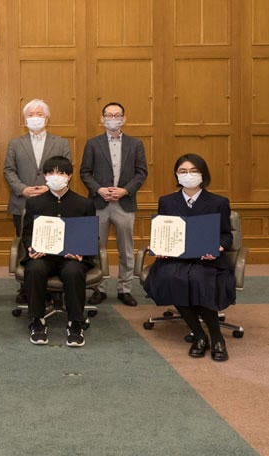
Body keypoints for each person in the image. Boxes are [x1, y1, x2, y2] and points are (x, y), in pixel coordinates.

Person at [143, 153, 235, 362]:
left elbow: (226, 234)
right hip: (175, 259)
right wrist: (157, 246)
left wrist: (219, 246)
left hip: (206, 258)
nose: (188, 175)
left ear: (203, 174)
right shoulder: (167, 201)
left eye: (194, 171)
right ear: (176, 175)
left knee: (200, 279)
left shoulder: (219, 202)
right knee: (171, 278)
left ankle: (217, 337)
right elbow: (163, 230)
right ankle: (200, 335)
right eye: (183, 171)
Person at [22, 156, 96, 347]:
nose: (56, 176)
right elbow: (27, 233)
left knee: (73, 271)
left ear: (69, 176)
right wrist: (31, 247)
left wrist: (81, 251)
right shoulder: (34, 203)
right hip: (44, 256)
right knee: (35, 268)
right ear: (45, 176)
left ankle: (75, 323)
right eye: (51, 172)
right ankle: (37, 320)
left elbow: (90, 235)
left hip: (71, 257)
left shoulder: (84, 204)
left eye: (61, 173)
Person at [80, 102, 148, 307]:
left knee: (126, 249)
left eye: (117, 115)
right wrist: (99, 189)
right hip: (99, 203)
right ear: (102, 119)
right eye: (108, 115)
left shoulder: (136, 144)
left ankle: (124, 289)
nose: (113, 119)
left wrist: (125, 190)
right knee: (96, 248)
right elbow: (85, 172)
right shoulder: (93, 143)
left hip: (124, 202)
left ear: (124, 119)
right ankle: (98, 288)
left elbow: (141, 172)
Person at [4, 99, 72, 236]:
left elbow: (67, 170)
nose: (35, 118)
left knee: (52, 241)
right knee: (24, 242)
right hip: (22, 202)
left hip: (53, 200)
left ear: (47, 119)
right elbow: (9, 170)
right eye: (30, 115)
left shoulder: (61, 143)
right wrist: (22, 189)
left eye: (39, 114)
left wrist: (50, 187)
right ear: (25, 120)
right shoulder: (15, 143)